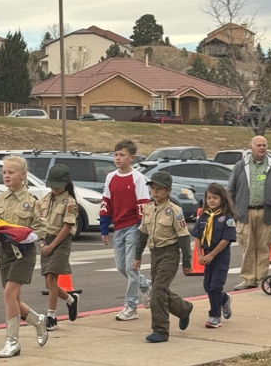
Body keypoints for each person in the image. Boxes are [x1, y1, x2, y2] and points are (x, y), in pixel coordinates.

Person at [0, 155, 48, 358]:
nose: (6, 176)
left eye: (11, 172)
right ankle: (38, 321)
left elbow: (41, 229)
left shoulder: (32, 202)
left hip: (24, 253)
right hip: (5, 252)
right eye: (4, 172)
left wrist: (26, 237)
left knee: (8, 294)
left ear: (23, 175)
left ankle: (12, 342)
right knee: (13, 298)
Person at [132, 171, 193, 343]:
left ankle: (160, 330)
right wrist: (137, 256)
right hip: (155, 254)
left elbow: (184, 237)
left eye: (159, 188)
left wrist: (186, 262)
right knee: (161, 290)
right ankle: (183, 309)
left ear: (168, 191)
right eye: (152, 188)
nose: (155, 191)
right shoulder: (148, 208)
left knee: (158, 290)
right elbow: (142, 234)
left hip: (170, 253)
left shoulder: (174, 211)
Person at [100, 139, 152, 321]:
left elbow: (143, 204)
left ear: (131, 158)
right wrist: (104, 227)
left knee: (131, 267)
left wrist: (142, 230)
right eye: (116, 154)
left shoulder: (138, 178)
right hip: (118, 227)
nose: (118, 158)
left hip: (134, 227)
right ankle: (145, 285)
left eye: (122, 155)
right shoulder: (110, 177)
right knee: (121, 266)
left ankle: (131, 306)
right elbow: (106, 202)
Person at [227, 135, 271, 289]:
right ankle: (248, 280)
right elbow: (230, 190)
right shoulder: (241, 166)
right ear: (252, 147)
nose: (262, 148)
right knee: (248, 247)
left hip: (266, 213)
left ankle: (262, 279)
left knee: (263, 247)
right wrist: (234, 211)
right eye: (259, 145)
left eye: (264, 145)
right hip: (245, 213)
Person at [36, 163, 80, 330]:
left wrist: (52, 246)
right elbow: (39, 220)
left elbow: (67, 227)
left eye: (57, 186)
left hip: (61, 242)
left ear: (66, 184)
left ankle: (52, 317)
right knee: (49, 284)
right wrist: (42, 241)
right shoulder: (46, 199)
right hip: (47, 240)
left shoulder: (70, 203)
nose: (54, 189)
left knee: (52, 279)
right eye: (52, 185)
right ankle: (70, 300)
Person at [191, 182, 237, 328]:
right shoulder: (203, 217)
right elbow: (197, 236)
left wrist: (212, 255)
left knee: (215, 287)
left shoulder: (227, 218)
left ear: (222, 199)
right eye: (209, 197)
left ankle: (215, 316)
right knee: (208, 287)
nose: (211, 200)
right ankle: (224, 299)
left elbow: (226, 239)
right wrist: (200, 255)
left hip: (220, 257)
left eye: (215, 198)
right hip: (206, 256)